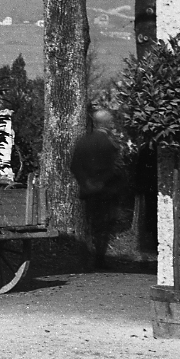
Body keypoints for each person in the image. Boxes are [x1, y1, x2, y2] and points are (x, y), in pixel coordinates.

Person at [69, 108, 123, 271]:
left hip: (88, 190)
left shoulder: (83, 141)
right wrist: (102, 182)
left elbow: (74, 166)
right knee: (104, 226)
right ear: (106, 124)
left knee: (89, 224)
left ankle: (85, 260)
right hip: (106, 190)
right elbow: (115, 167)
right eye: (111, 121)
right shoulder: (110, 143)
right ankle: (99, 260)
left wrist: (86, 182)